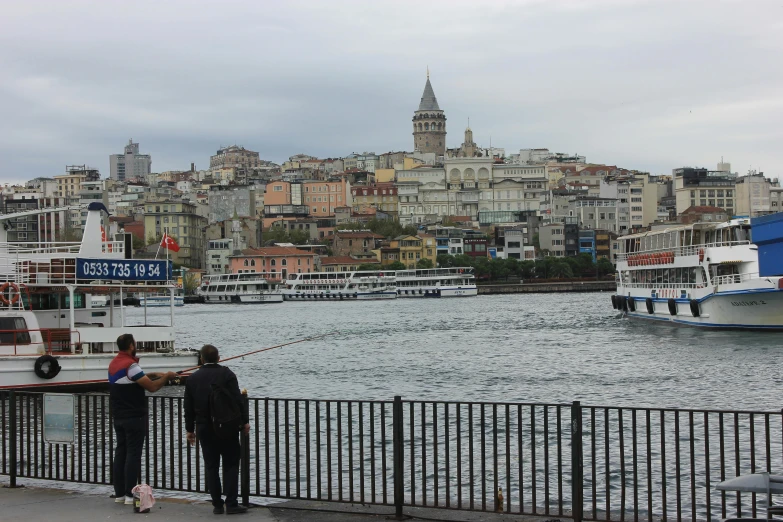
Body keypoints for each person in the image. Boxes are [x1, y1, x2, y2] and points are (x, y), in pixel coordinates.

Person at [109, 333, 176, 505]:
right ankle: (131, 495)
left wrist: (153, 373)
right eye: (135, 343)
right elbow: (152, 387)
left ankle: (120, 494)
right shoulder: (131, 365)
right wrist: (167, 377)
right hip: (134, 417)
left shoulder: (114, 363)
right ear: (131, 345)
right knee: (133, 455)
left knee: (120, 453)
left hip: (118, 416)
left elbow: (134, 379)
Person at [184, 344, 250, 515]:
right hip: (227, 426)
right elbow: (238, 400)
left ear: (201, 359)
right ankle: (232, 503)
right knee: (230, 464)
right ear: (219, 358)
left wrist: (189, 429)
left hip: (204, 427)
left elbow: (188, 408)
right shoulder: (227, 374)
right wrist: (244, 422)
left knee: (211, 466)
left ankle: (217, 505)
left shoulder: (192, 379)